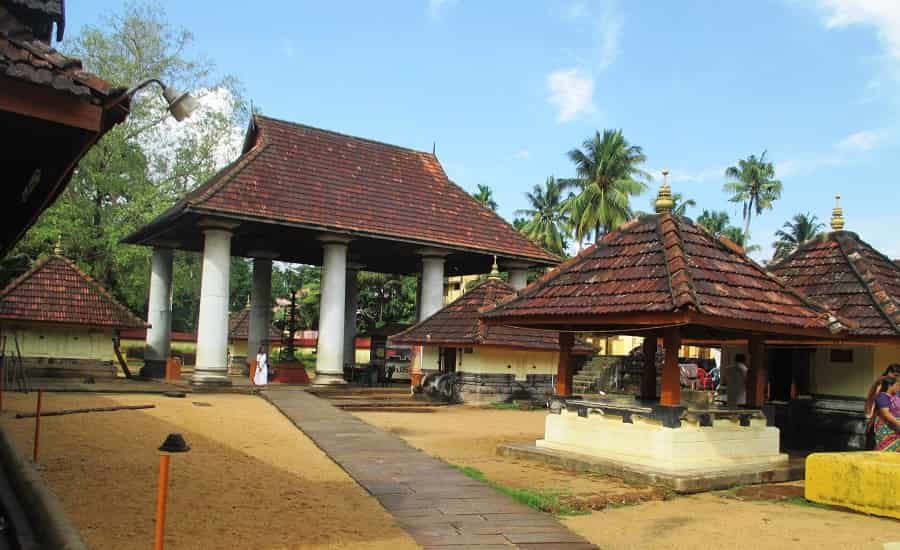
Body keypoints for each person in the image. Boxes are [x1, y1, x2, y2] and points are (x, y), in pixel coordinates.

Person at [872, 377, 900, 452]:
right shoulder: (882, 397)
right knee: (886, 448)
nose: (898, 387)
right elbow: (886, 414)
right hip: (887, 427)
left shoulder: (896, 396)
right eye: (896, 385)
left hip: (896, 425)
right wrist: (898, 423)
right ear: (889, 386)